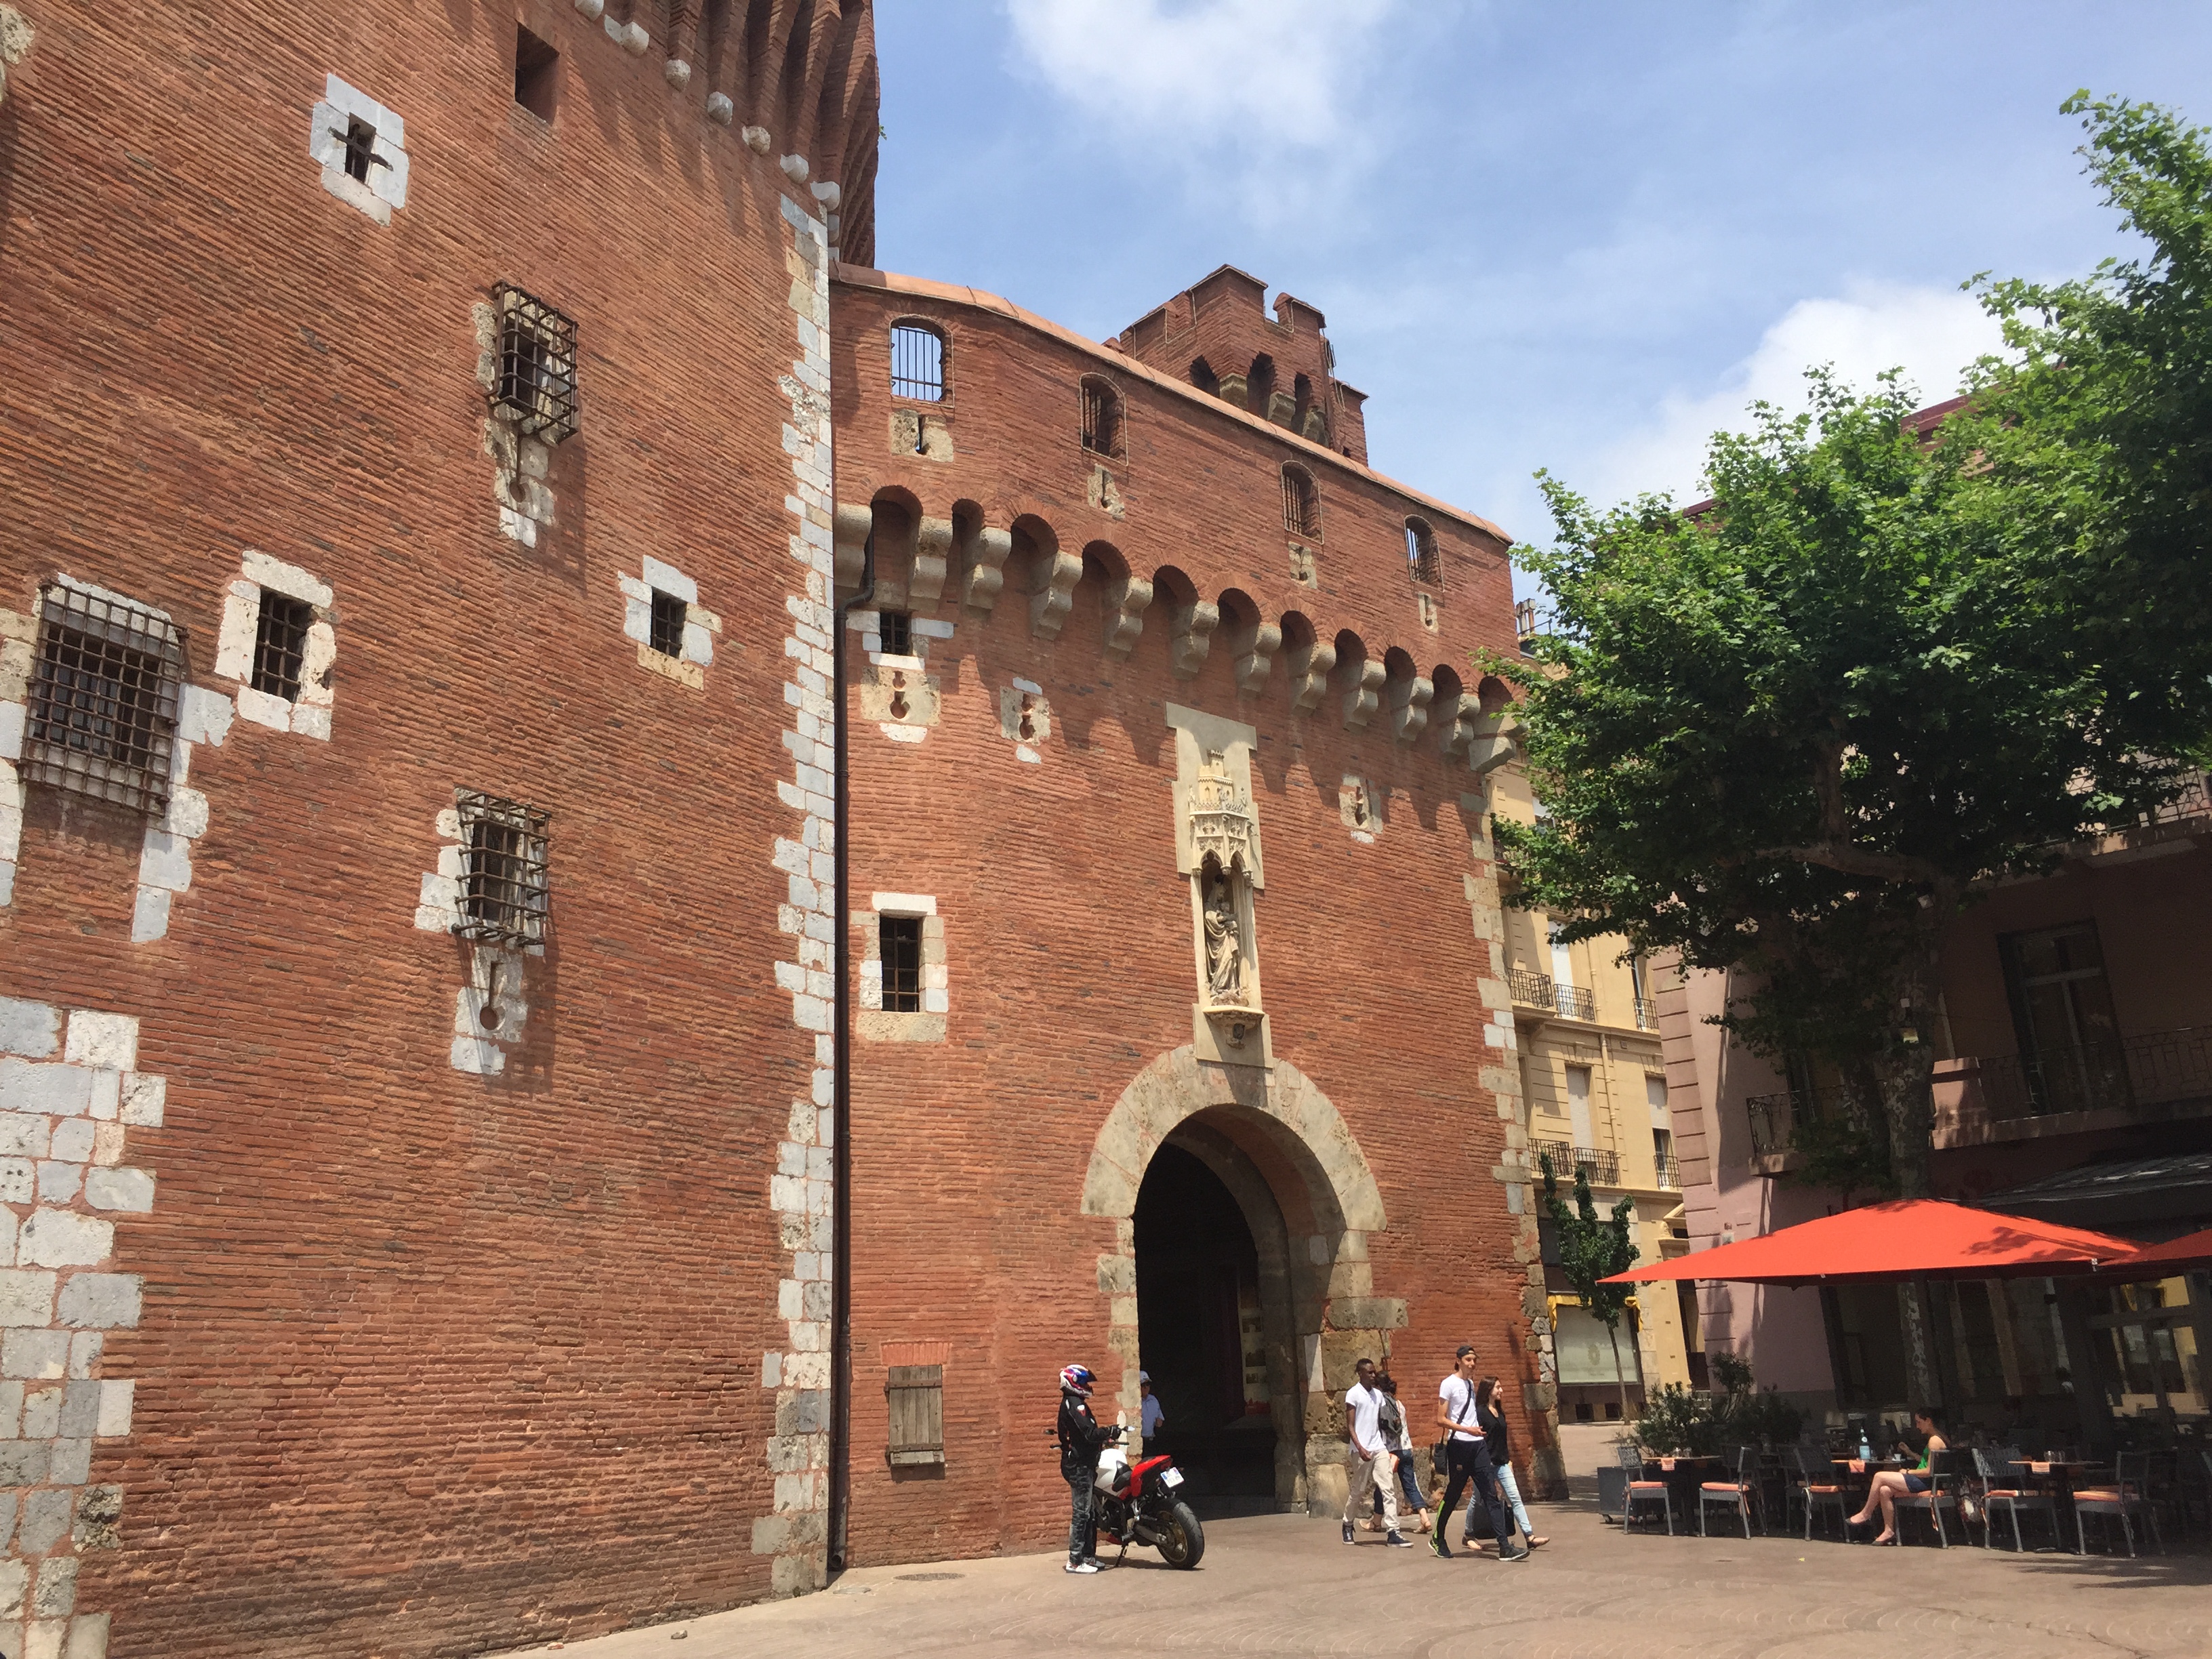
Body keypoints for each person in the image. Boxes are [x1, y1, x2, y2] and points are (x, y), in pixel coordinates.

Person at [1431, 1344, 1525, 1562]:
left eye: (1474, 1360)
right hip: (1459, 1446)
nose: (1472, 1364)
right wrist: (1468, 1430)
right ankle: (1438, 1538)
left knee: (1490, 1494)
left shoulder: (1470, 1384)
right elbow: (1440, 1419)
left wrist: (1477, 1433)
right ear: (1458, 1361)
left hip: (1478, 1446)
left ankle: (1504, 1547)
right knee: (1453, 1494)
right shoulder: (1448, 1384)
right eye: (1468, 1360)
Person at [1463, 1375, 1545, 1550]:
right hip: (1485, 1465)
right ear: (1489, 1390)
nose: (1501, 1390)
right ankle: (1468, 1534)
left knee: (1515, 1498)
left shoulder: (1499, 1412)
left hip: (1502, 1464)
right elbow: (1476, 1439)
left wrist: (1509, 1460)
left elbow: (1502, 1440)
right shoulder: (1479, 1413)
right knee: (1477, 1499)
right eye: (1498, 1387)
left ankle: (1529, 1536)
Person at [1848, 1407, 1946, 1544]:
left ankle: (1866, 1513)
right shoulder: (1939, 1438)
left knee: (1879, 1476)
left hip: (1924, 1482)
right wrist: (1909, 1453)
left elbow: (1929, 1471)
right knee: (1885, 1490)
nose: (1917, 1426)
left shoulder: (1934, 1441)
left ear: (1928, 1421)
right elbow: (1926, 1462)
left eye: (1919, 1422)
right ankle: (1889, 1530)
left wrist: (1908, 1472)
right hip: (1923, 1480)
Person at [1341, 1357, 1412, 1547]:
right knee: (1358, 1490)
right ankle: (1347, 1523)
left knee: (1388, 1488)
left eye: (1374, 1372)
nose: (1374, 1375)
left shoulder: (1378, 1395)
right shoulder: (1353, 1394)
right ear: (1360, 1373)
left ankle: (1393, 1531)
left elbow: (1381, 1423)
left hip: (1379, 1447)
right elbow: (1350, 1426)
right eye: (1370, 1372)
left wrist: (1390, 1446)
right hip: (1361, 1449)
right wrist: (1360, 1448)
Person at [1057, 1364, 1118, 1574]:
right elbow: (1089, 1434)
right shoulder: (1074, 1404)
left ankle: (1088, 1557)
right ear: (1072, 1383)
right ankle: (1075, 1560)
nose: (1086, 1386)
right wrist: (1109, 1431)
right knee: (1081, 1513)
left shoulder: (1076, 1403)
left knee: (1090, 1513)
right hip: (1078, 1465)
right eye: (1082, 1382)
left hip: (1085, 1463)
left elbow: (1085, 1435)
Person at [1375, 1374, 1430, 1532]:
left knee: (1381, 1485)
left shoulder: (1381, 1404)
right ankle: (1425, 1518)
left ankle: (1376, 1522)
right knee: (1411, 1485)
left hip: (1390, 1451)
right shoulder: (1399, 1404)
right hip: (1406, 1448)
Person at [1139, 1371, 1165, 1441]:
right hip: (1137, 1440)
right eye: (1143, 1385)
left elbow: (1160, 1421)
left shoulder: (1154, 1400)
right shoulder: (1133, 1402)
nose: (1146, 1387)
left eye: (1148, 1384)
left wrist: (1159, 1422)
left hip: (1151, 1439)